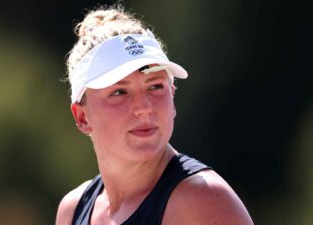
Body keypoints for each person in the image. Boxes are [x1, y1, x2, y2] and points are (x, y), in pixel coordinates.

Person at [56, 5, 254, 225]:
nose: (144, 107)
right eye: (119, 92)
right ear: (82, 117)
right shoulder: (73, 210)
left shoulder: (203, 202)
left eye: (155, 87)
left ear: (173, 96)